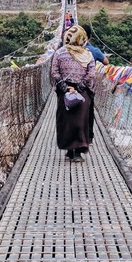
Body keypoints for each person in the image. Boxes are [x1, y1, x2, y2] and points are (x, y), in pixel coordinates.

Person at [51, 25, 95, 162]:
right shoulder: (87, 54)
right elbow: (91, 74)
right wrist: (80, 87)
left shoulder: (59, 53)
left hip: (65, 92)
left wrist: (65, 88)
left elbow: (55, 72)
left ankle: (69, 150)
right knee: (80, 121)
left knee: (66, 120)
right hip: (82, 93)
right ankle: (77, 153)